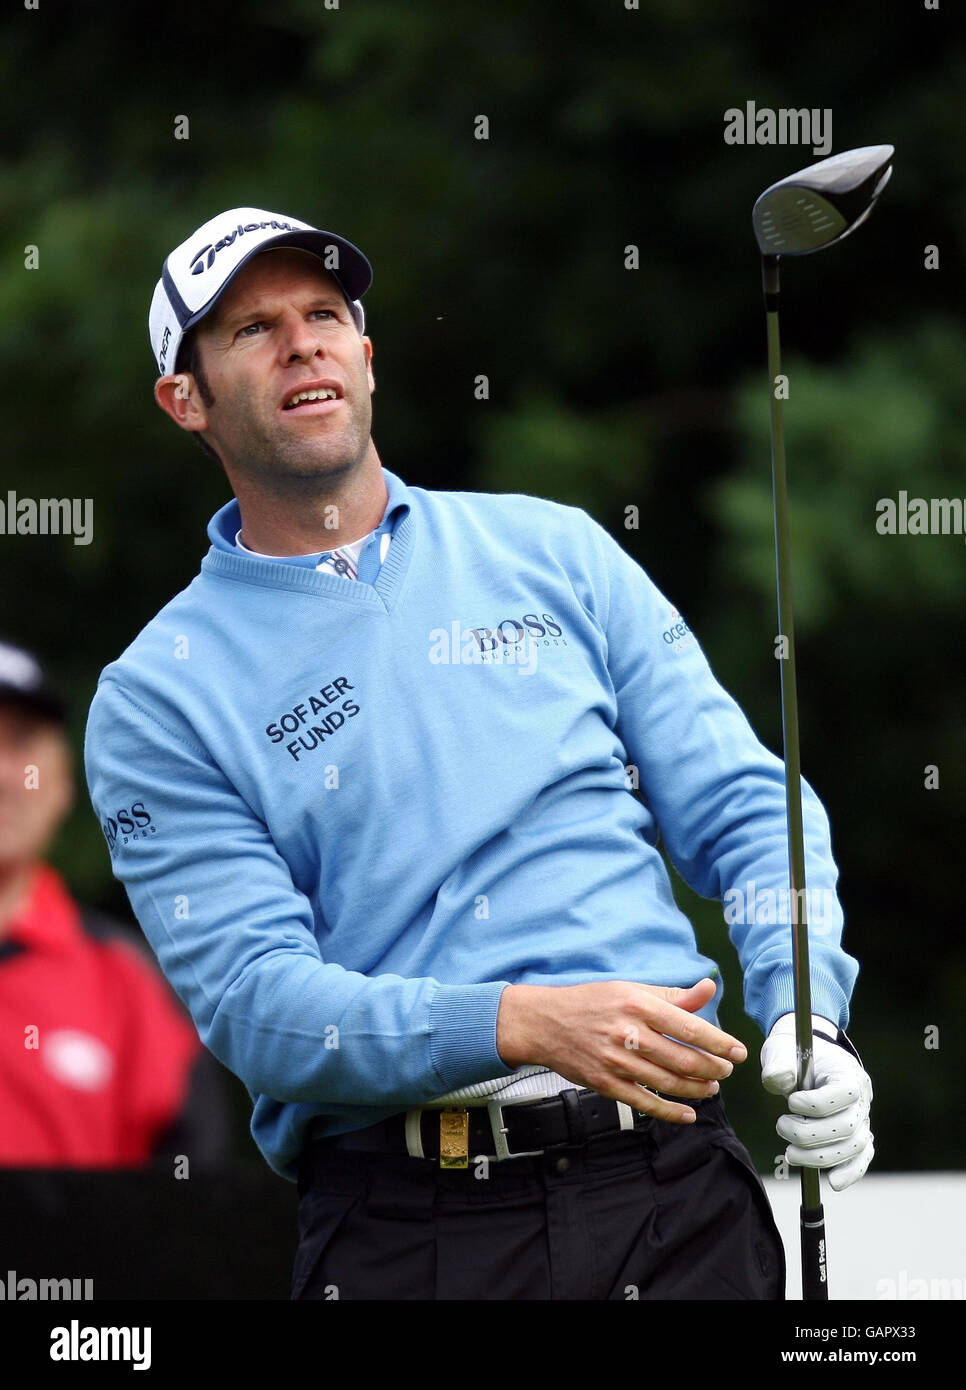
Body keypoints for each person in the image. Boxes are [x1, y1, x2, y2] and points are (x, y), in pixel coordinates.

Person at [84, 206, 874, 1300]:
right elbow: (261, 1004)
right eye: (252, 329)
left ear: (365, 354)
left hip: (676, 1193)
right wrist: (518, 1023)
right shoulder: (156, 695)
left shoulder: (555, 549)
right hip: (412, 1230)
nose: (301, 342)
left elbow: (746, 806)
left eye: (324, 314)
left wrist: (804, 1008)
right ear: (188, 398)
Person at [0, 638, 230, 1168]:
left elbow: (190, 1207)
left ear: (61, 784)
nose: (4, 775)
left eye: (20, 743)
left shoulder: (130, 982)